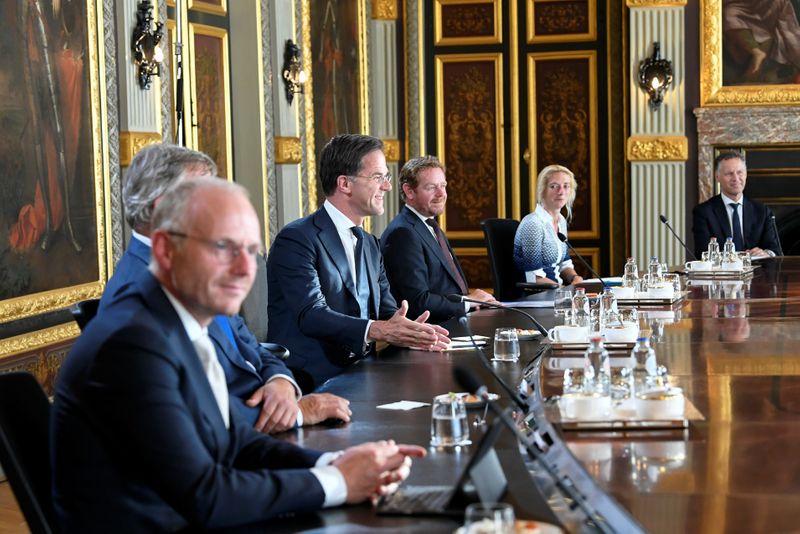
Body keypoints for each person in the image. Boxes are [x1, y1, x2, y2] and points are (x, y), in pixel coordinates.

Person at [51, 177, 426, 531]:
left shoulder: (182, 319)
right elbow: (206, 496)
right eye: (223, 247)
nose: (246, 268)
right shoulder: (132, 342)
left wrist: (335, 461)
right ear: (165, 250)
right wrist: (339, 482)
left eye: (250, 250)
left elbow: (232, 440)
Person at [100, 143, 350, 433]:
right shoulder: (139, 293)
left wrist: (280, 382)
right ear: (164, 209)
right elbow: (193, 415)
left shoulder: (192, 270)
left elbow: (250, 346)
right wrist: (296, 413)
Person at [267, 134, 450, 391]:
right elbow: (311, 315)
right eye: (378, 177)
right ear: (345, 184)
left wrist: (416, 332)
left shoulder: (371, 245)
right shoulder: (297, 239)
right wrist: (379, 330)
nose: (387, 187)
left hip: (365, 375)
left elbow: (387, 314)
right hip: (311, 381)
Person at [381, 156, 498, 323]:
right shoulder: (402, 233)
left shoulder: (429, 225)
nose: (441, 193)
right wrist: (468, 302)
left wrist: (475, 302)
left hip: (455, 323)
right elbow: (417, 301)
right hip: (432, 334)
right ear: (409, 191)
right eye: (431, 187)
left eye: (443, 185)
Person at [692, 151, 780, 259]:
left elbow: (776, 250)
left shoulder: (762, 211)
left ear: (746, 174)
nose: (736, 178)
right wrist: (739, 257)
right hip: (722, 274)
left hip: (758, 273)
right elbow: (702, 253)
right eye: (729, 173)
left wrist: (766, 253)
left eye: (740, 172)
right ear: (717, 177)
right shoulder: (704, 212)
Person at [513, 165, 584, 286]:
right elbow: (534, 278)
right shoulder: (533, 224)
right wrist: (565, 292)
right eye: (554, 186)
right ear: (542, 190)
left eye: (566, 186)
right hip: (536, 297)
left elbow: (563, 264)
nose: (561, 192)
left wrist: (575, 278)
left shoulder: (561, 220)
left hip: (557, 292)